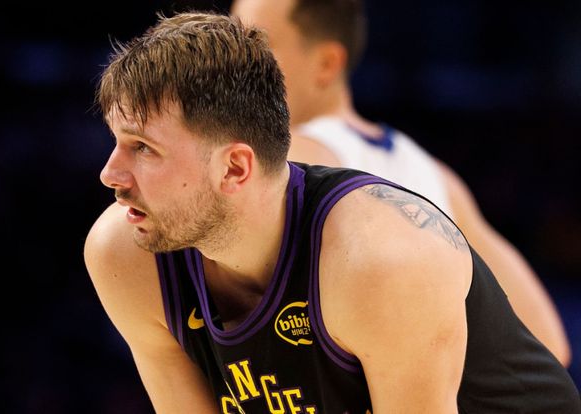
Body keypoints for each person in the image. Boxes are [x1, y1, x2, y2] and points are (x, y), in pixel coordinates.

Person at [84, 12, 581, 413]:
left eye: (143, 148)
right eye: (117, 142)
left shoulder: (384, 261)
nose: (110, 174)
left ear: (235, 168)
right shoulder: (122, 255)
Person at [230, 0, 572, 366]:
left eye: (254, 44)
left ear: (327, 63)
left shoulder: (285, 160)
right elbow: (549, 344)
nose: (231, 62)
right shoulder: (433, 174)